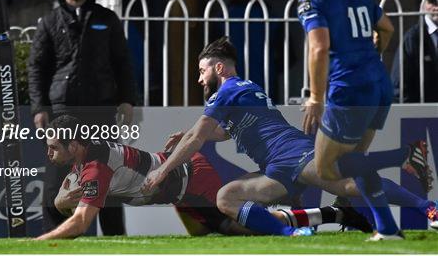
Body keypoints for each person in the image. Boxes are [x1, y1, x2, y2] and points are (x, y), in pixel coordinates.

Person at [142, 37, 435, 240]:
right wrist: (193, 135)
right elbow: (219, 132)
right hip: (276, 167)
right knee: (226, 197)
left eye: (202, 71)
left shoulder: (228, 90)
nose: (199, 79)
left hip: (293, 153)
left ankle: (426, 206)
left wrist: (162, 170)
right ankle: (293, 232)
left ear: (219, 68)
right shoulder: (244, 89)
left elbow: (197, 136)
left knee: (348, 185)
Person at [35, 115, 376, 240]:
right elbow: (62, 202)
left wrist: (40, 243)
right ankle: (320, 208)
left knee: (241, 224)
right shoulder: (85, 159)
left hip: (192, 178)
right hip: (179, 192)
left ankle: (334, 212)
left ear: (75, 146)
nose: (49, 154)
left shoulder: (95, 167)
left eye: (53, 148)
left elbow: (79, 222)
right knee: (221, 232)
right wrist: (65, 198)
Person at [285, 0, 417, 240]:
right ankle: (387, 229)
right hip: (379, 83)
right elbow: (387, 28)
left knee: (326, 168)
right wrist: (374, 53)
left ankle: (400, 155)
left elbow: (319, 48)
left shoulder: (312, 0)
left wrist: (316, 98)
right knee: (357, 160)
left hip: (349, 89)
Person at [28, 0, 137, 235]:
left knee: (108, 175)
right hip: (62, 111)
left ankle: (115, 238)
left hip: (100, 109)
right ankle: (54, 237)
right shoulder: (49, 22)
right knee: (56, 179)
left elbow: (122, 62)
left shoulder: (106, 18)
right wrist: (40, 107)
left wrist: (127, 99)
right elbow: (37, 67)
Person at [392, 0, 438, 103]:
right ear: (422, 5)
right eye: (432, 1)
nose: (437, 6)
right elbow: (400, 84)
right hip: (424, 113)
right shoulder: (413, 38)